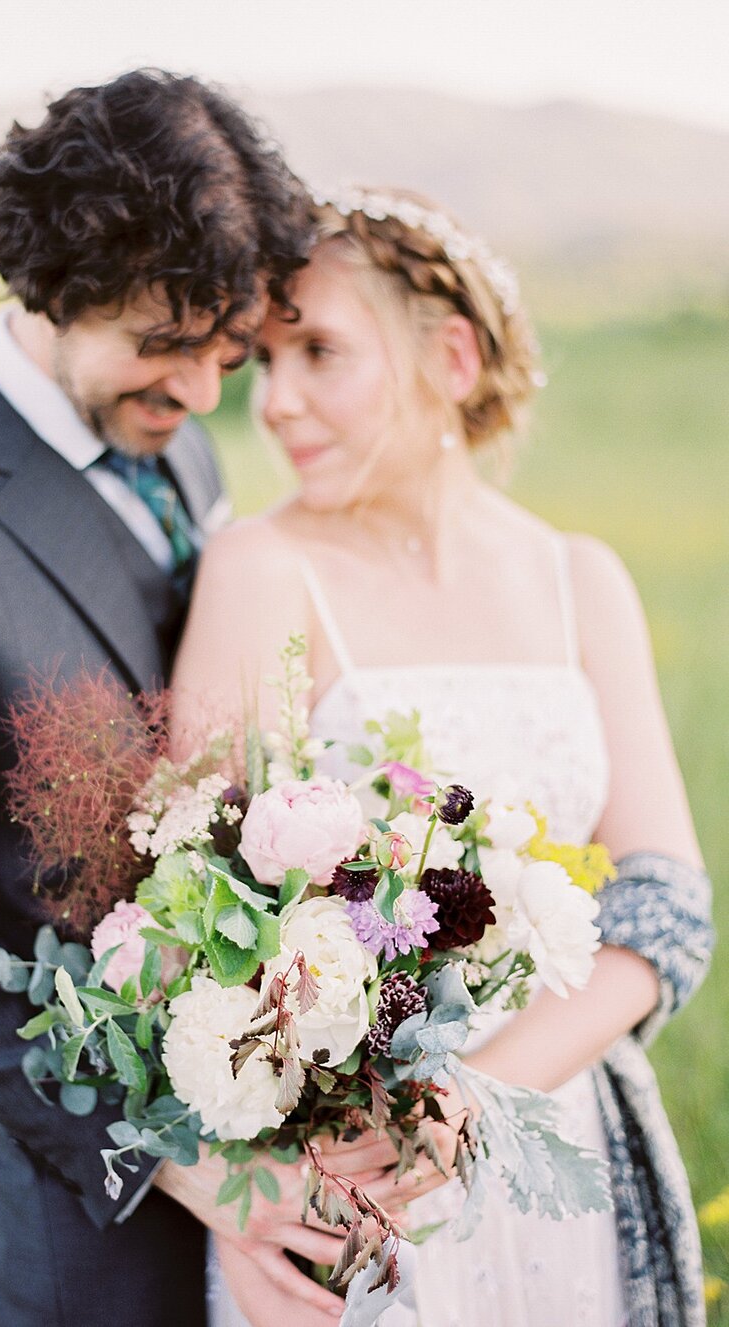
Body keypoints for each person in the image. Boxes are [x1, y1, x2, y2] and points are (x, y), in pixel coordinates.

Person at [0, 69, 364, 1327]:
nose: (205, 393)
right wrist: (172, 1153)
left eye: (224, 351)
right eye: (165, 347)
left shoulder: (177, 439)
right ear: (49, 284)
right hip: (78, 1215)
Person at [173, 186, 713, 1326]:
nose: (273, 403)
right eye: (263, 362)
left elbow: (665, 903)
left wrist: (474, 1096)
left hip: (563, 1150)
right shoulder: (261, 571)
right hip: (349, 1180)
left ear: (453, 360)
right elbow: (182, 911)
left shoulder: (581, 580)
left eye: (318, 351)